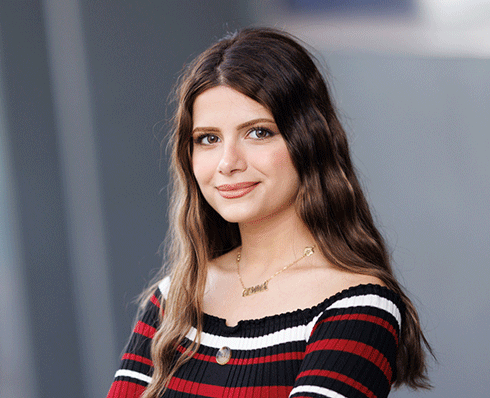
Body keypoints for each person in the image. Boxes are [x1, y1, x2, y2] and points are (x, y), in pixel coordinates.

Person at [107, 27, 432, 398]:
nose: (228, 163)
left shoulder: (358, 308)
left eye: (258, 132)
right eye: (208, 139)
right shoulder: (173, 299)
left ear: (310, 141)